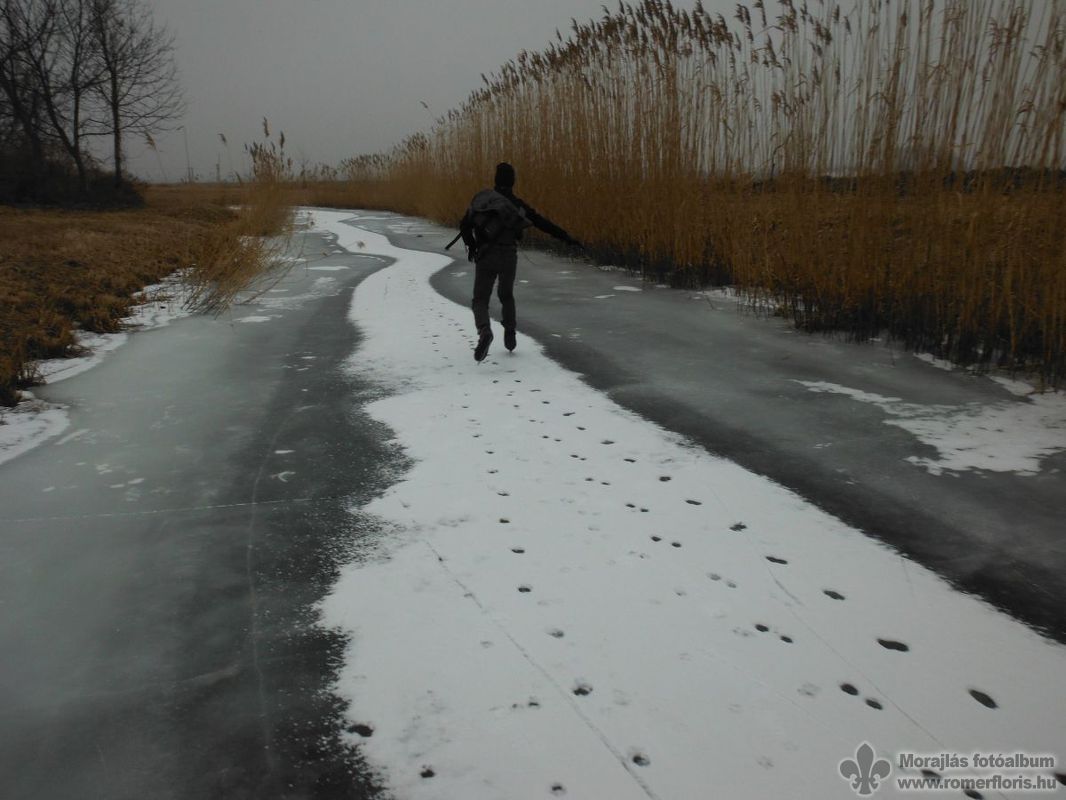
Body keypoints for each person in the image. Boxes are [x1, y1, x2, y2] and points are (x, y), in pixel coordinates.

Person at [459, 162, 581, 362]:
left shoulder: (484, 199)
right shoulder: (517, 205)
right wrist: (567, 238)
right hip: (508, 256)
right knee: (506, 295)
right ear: (513, 181)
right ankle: (510, 335)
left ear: (495, 180)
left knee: (480, 299)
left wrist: (472, 246)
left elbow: (465, 225)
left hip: (486, 256)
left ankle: (484, 332)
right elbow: (542, 223)